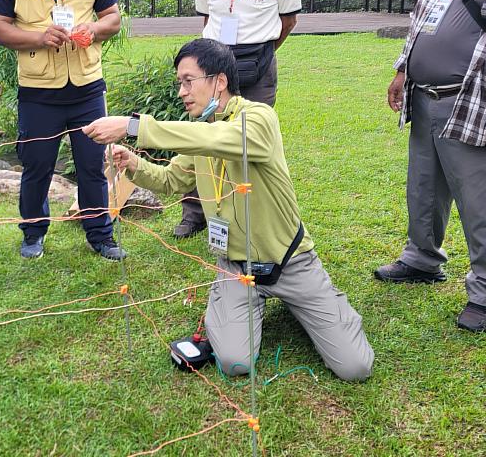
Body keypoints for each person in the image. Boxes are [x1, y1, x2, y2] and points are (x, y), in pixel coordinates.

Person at [84, 39, 373, 381]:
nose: (181, 92)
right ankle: (244, 302)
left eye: (188, 81)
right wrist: (133, 163)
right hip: (236, 268)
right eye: (180, 83)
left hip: (291, 262)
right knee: (235, 363)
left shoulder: (258, 118)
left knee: (355, 367)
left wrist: (134, 126)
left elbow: (228, 139)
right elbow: (169, 180)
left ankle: (314, 302)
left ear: (219, 81)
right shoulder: (203, 135)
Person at [374, 0, 486, 333]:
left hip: (470, 99)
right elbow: (424, 14)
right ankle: (422, 258)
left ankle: (483, 289)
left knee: (477, 199)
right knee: (424, 187)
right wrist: (404, 67)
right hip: (424, 95)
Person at [0, 0, 125, 261]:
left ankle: (101, 236)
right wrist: (38, 37)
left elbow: (113, 18)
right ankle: (33, 233)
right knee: (36, 166)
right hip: (38, 91)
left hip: (87, 87)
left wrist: (93, 30)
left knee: (92, 165)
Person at [174, 0, 301, 241]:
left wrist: (261, 52)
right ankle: (195, 211)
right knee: (204, 137)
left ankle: (250, 212)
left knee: (251, 140)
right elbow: (206, 20)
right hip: (212, 70)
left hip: (258, 65)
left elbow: (288, 21)